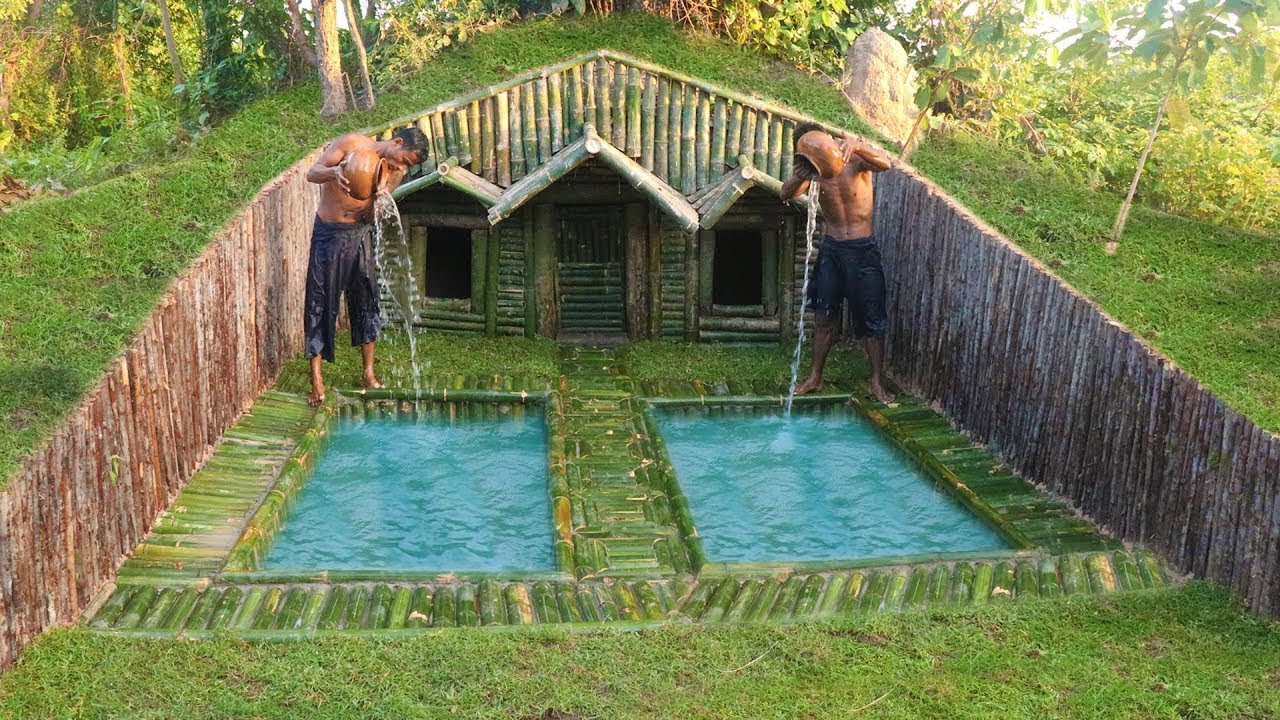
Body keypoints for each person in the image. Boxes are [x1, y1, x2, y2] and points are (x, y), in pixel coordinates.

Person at [302, 127, 429, 405]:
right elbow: (312, 173)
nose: (401, 167)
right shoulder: (351, 143)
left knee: (367, 300)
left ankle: (368, 373)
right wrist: (335, 173)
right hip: (329, 232)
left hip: (359, 233)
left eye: (407, 166)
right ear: (397, 142)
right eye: (404, 160)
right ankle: (316, 379)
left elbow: (372, 215)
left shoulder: (394, 173)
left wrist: (379, 199)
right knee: (320, 302)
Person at [780, 123, 894, 403]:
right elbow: (786, 194)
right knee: (824, 316)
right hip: (832, 251)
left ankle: (876, 382)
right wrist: (798, 177)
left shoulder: (854, 159)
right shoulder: (815, 173)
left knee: (871, 318)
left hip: (862, 249)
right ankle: (815, 378)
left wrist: (858, 145)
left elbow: (886, 163)